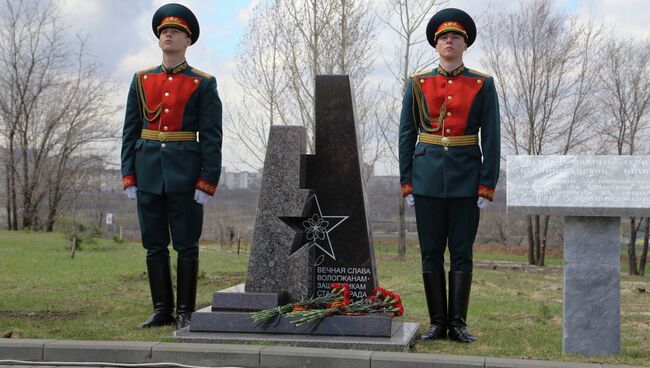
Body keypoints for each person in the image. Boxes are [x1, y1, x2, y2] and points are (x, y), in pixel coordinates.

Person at [398, 8, 500, 343]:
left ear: (465, 43)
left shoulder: (482, 84)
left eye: (455, 36)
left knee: (461, 252)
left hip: (466, 181)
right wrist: (407, 181)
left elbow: (492, 137)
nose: (449, 41)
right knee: (429, 251)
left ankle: (458, 323)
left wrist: (487, 185)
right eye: (444, 37)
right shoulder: (418, 84)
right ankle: (436, 323)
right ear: (436, 44)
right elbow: (406, 133)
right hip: (426, 179)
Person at [121, 3, 222, 330]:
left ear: (187, 39)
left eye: (175, 31)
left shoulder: (202, 83)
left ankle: (185, 312)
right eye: (164, 31)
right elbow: (130, 131)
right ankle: (162, 309)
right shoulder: (141, 80)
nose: (168, 34)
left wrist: (207, 182)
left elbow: (211, 137)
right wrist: (128, 175)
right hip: (148, 173)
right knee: (153, 245)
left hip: (185, 176)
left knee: (186, 246)